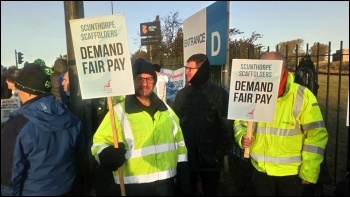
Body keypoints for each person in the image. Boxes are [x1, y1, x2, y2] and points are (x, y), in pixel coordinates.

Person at [233, 52, 329, 196]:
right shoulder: (251, 92)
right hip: (259, 171)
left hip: (291, 175)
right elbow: (239, 122)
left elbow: (316, 134)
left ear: (282, 69)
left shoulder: (302, 96)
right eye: (261, 67)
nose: (264, 72)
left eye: (269, 67)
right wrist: (242, 137)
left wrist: (309, 171)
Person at [91, 58, 191, 196]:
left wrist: (184, 179)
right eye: (139, 79)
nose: (145, 83)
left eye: (149, 79)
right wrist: (105, 155)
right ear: (132, 81)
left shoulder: (167, 111)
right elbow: (98, 143)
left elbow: (180, 146)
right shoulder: (118, 112)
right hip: (133, 187)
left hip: (165, 186)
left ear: (154, 81)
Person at [1, 63, 85, 196]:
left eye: (19, 88)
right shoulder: (71, 118)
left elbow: (8, 176)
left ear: (27, 92)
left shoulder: (17, 126)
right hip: (67, 188)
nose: (18, 92)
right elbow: (80, 161)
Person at [172, 53, 233, 196]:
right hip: (186, 161)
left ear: (201, 70)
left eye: (189, 69)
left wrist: (218, 155)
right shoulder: (182, 94)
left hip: (210, 162)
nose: (186, 72)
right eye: (186, 68)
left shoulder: (219, 94)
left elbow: (226, 129)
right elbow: (174, 123)